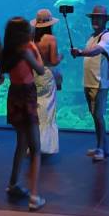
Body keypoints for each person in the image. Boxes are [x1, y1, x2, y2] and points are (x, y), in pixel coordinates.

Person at [3, 17, 47, 211]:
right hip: (27, 95)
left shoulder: (9, 52)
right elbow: (41, 69)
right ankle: (35, 196)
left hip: (14, 94)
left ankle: (13, 183)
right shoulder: (25, 51)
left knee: (21, 142)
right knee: (35, 148)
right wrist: (36, 50)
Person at [70, 5, 109, 162]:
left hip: (100, 83)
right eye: (93, 17)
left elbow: (96, 51)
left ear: (104, 20)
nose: (95, 20)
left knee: (98, 116)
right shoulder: (92, 37)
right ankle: (102, 147)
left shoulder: (108, 37)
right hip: (89, 83)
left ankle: (101, 149)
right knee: (95, 116)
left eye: (98, 18)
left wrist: (81, 52)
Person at [31, 9, 62, 154]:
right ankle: (45, 146)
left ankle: (33, 144)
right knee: (47, 109)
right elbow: (54, 61)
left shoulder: (31, 38)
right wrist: (61, 56)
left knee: (36, 109)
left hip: (33, 74)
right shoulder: (50, 39)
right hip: (46, 75)